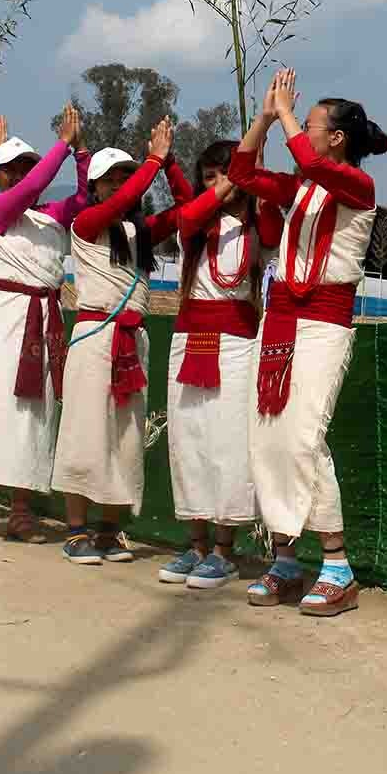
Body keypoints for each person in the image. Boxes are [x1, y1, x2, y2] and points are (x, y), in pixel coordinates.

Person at [229, 68, 386, 618]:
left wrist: (287, 113)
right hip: (280, 321)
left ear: (336, 137)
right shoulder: (300, 188)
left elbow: (316, 164)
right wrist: (266, 117)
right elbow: (241, 171)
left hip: (323, 320)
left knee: (304, 439)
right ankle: (287, 559)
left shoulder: (358, 188)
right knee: (267, 436)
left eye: (312, 124)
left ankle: (338, 566)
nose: (306, 133)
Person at [52, 119, 193, 566]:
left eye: (122, 177)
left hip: (133, 339)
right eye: (109, 179)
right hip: (95, 338)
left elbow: (190, 210)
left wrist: (169, 165)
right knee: (85, 432)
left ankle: (110, 530)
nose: (118, 186)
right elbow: (126, 200)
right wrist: (150, 162)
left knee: (126, 437)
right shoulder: (85, 224)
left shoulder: (141, 232)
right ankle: (76, 530)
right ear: (93, 188)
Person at [0, 105, 90, 543]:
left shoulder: (50, 216)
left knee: (32, 417)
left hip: (42, 320)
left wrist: (81, 153)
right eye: (9, 170)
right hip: (3, 318)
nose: (18, 177)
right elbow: (30, 187)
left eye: (25, 169)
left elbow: (86, 198)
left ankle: (19, 510)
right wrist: (63, 144)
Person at [156, 139, 283, 590]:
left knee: (228, 444)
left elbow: (272, 232)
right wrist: (222, 187)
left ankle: (225, 550)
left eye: (224, 174)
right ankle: (196, 543)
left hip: (236, 344)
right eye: (208, 177)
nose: (218, 185)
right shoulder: (193, 225)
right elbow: (188, 213)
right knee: (189, 441)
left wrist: (256, 180)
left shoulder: (258, 223)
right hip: (189, 341)